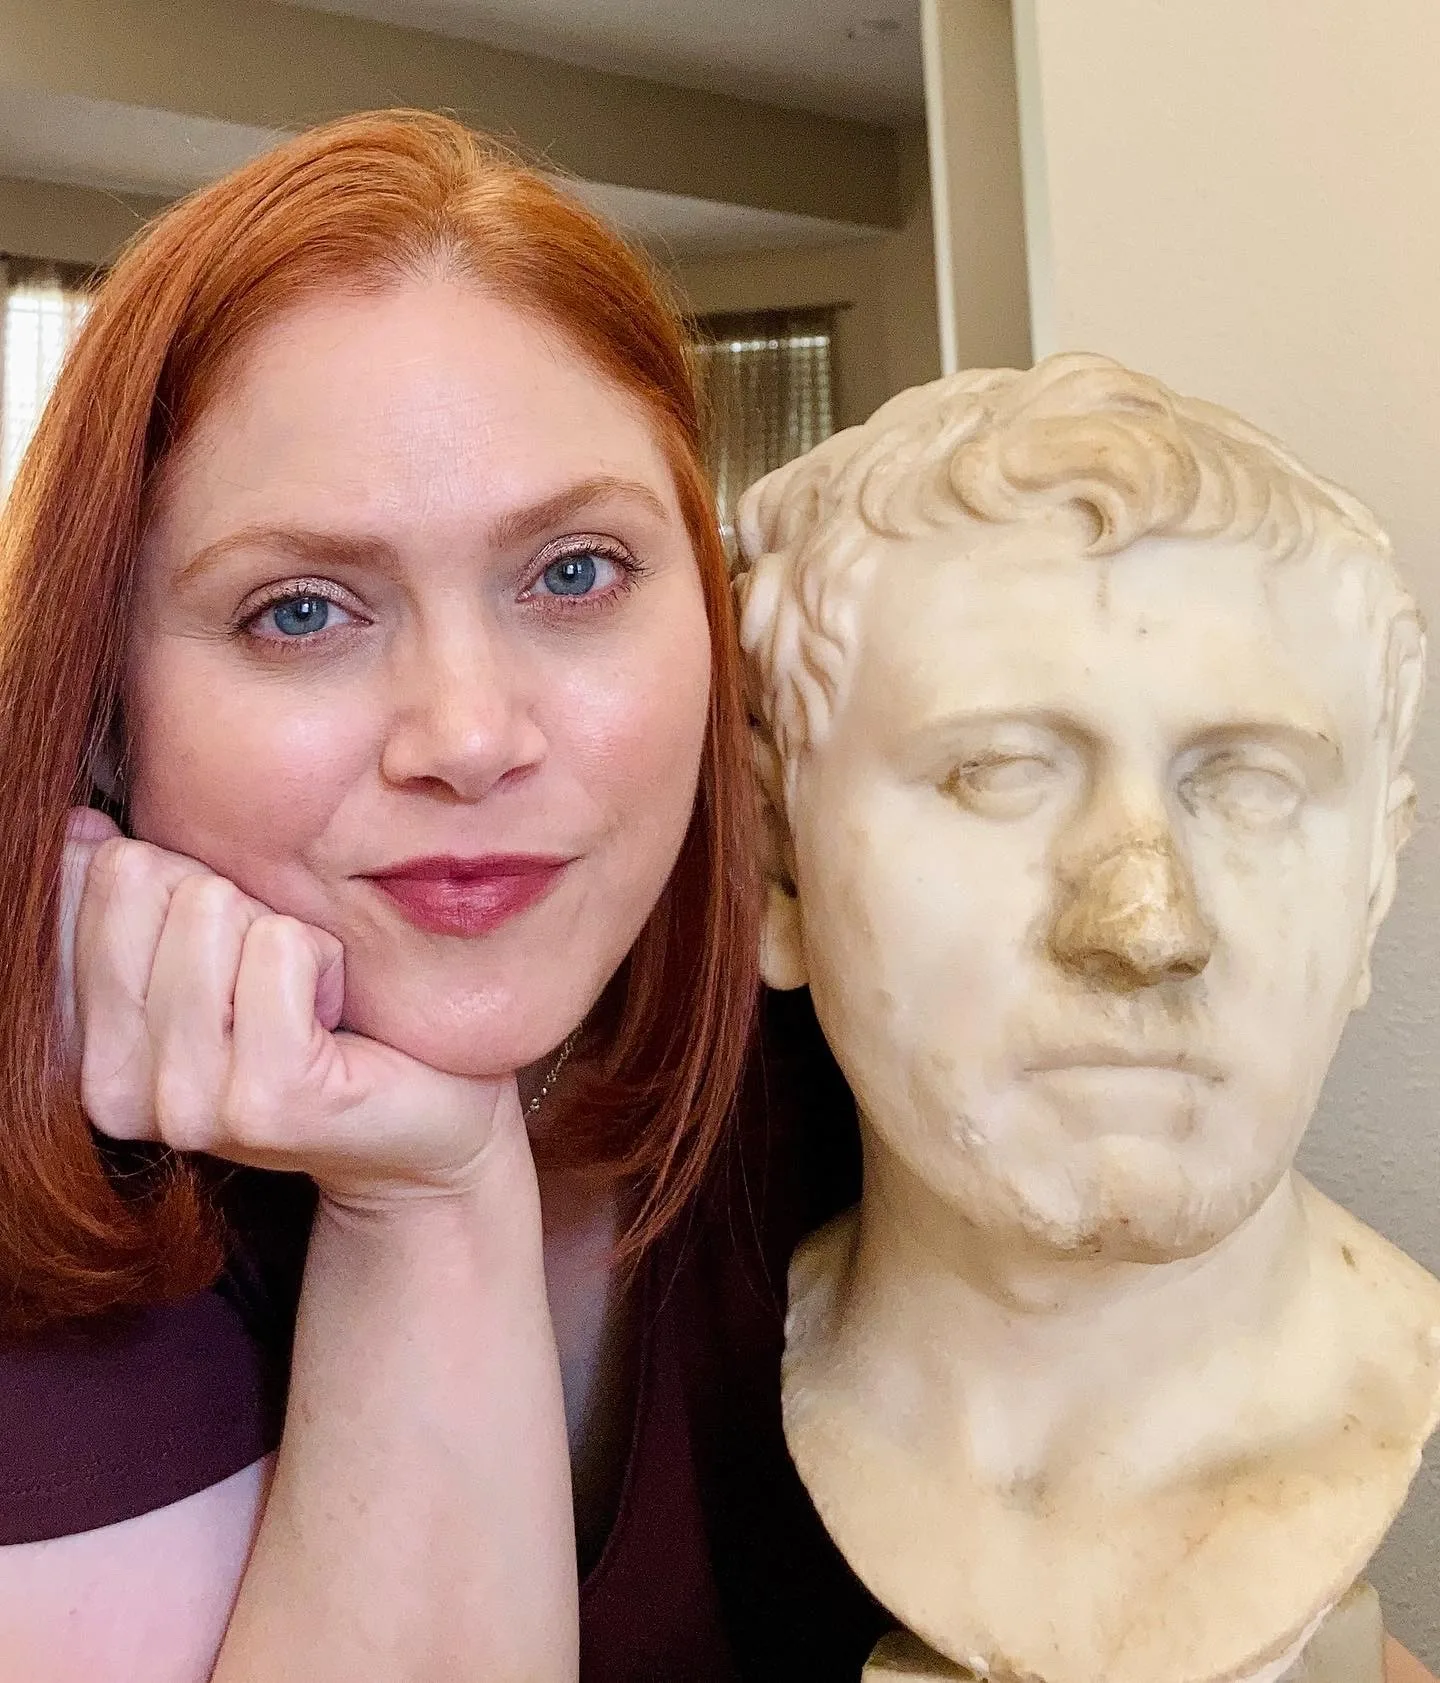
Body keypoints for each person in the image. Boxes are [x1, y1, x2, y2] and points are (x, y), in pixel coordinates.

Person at [0, 110, 887, 1681]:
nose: (469, 736)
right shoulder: (42, 1229)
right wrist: (419, 1195)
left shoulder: (860, 1059)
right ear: (104, 710)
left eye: (572, 574)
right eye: (301, 609)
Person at [734, 355, 1440, 1683]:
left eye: (1249, 784)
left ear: (1378, 877)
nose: (1145, 923)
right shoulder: (677, 1375)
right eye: (996, 769)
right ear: (778, 859)